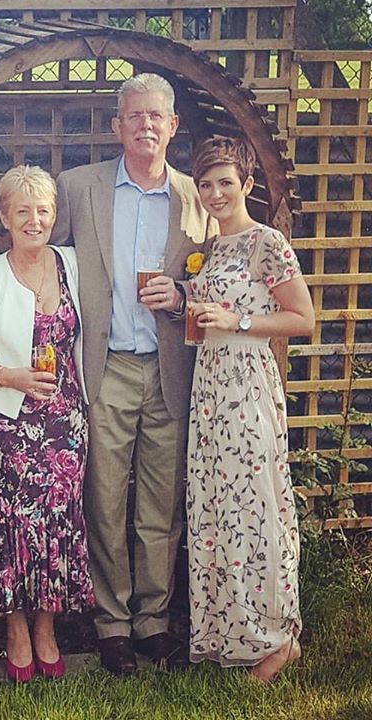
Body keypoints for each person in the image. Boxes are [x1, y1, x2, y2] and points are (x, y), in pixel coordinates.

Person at [50, 73, 217, 674]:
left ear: (173, 126)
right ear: (117, 125)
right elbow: (47, 266)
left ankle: (153, 622)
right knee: (103, 500)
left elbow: (221, 280)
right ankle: (111, 624)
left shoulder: (197, 197)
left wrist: (183, 294)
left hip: (171, 367)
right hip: (107, 365)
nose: (145, 125)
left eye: (156, 116)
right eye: (134, 116)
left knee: (160, 505)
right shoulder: (78, 187)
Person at [0, 165, 95, 682]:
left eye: (43, 211)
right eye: (23, 211)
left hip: (65, 421)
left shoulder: (74, 265)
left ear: (54, 216)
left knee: (57, 522)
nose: (34, 221)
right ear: (5, 217)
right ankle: (15, 629)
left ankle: (46, 628)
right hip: (6, 424)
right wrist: (7, 376)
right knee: (10, 526)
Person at [186, 137, 313, 681]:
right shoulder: (211, 246)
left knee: (256, 507)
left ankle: (279, 638)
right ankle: (232, 635)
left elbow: (302, 319)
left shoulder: (268, 242)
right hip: (209, 385)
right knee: (217, 509)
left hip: (248, 385)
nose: (215, 193)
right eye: (206, 184)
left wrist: (237, 322)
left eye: (225, 183)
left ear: (247, 185)